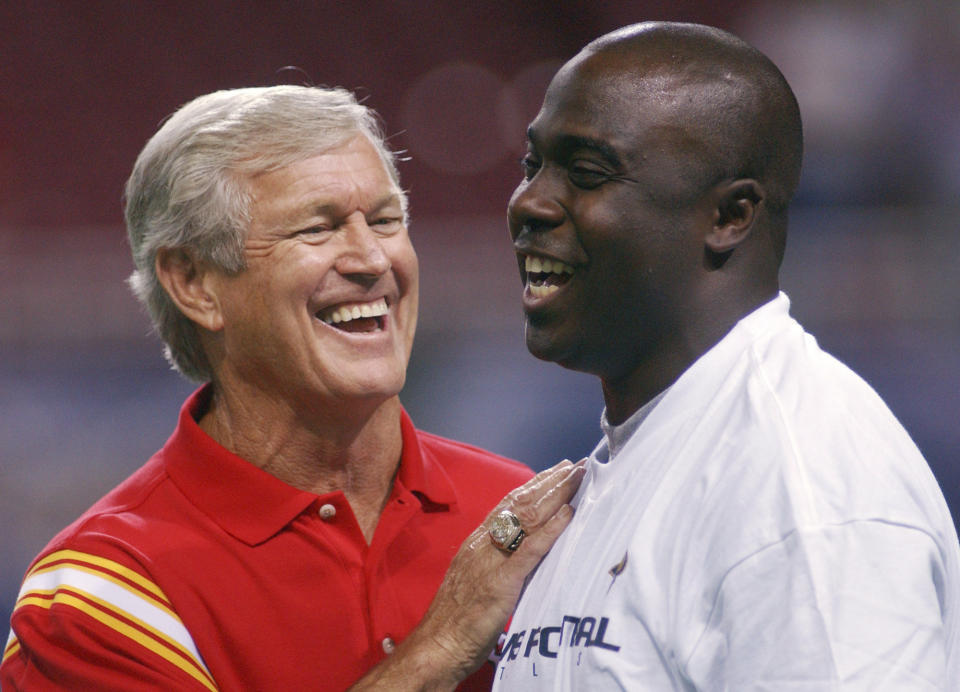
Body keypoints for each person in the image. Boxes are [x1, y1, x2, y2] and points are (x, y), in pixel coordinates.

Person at [0, 85, 583, 691]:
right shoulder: (103, 595)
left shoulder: (519, 505)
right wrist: (443, 645)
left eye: (385, 221)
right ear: (195, 282)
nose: (372, 260)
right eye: (317, 228)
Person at [488, 21, 960, 689]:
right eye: (532, 166)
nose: (529, 203)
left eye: (587, 173)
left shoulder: (799, 483)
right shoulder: (631, 458)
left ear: (730, 215)